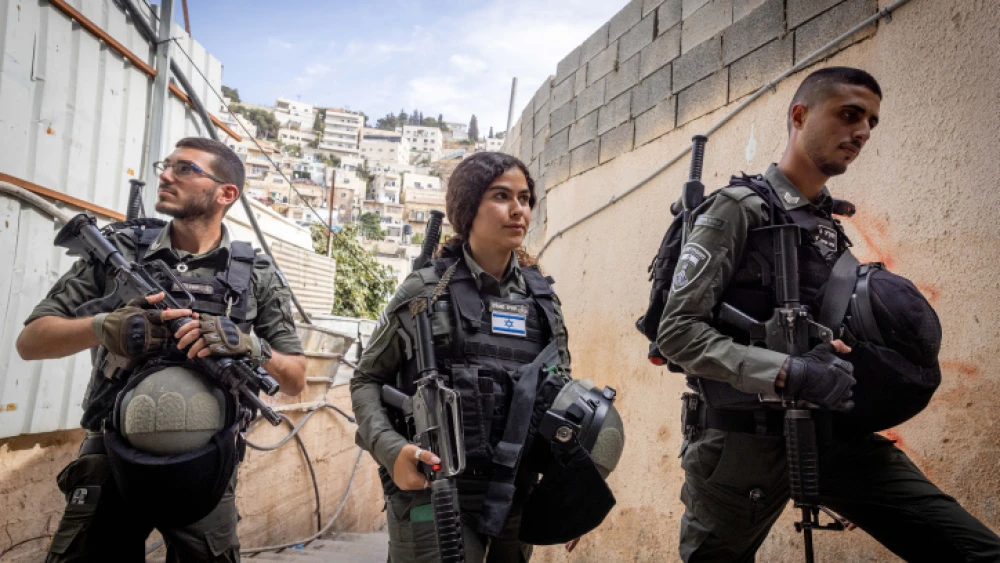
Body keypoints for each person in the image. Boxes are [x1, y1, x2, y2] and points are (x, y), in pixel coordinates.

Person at [657, 67, 1000, 562]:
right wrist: (789, 371)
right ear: (799, 115)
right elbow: (677, 332)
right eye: (849, 114)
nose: (861, 131)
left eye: (871, 122)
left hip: (834, 434)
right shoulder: (737, 210)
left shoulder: (824, 222)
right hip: (742, 444)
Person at [16, 137, 307, 562]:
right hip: (108, 452)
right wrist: (103, 326)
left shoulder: (255, 273)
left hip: (207, 464)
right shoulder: (119, 251)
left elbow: (295, 378)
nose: (166, 175)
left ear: (226, 193)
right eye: (166, 165)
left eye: (185, 168)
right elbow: (31, 341)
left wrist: (248, 346)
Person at [350, 152, 575, 562]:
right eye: (501, 196)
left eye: (525, 199)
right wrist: (391, 449)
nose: (518, 210)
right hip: (435, 490)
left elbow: (559, 396)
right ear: (468, 207)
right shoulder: (425, 291)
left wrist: (568, 490)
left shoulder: (542, 300)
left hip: (514, 493)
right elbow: (366, 381)